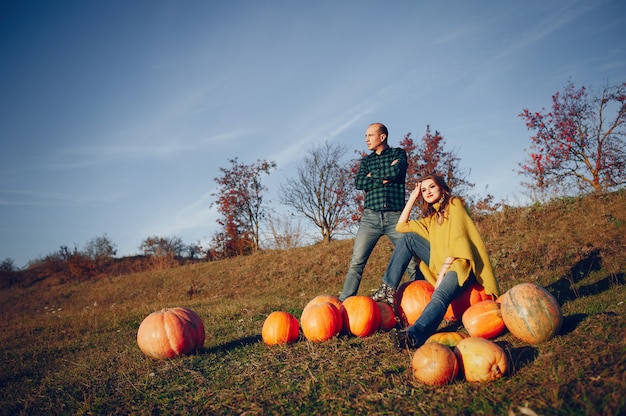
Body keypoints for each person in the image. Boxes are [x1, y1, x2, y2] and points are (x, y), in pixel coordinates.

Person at [370, 173, 499, 349]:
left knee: (440, 295)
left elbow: (458, 242)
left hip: (461, 265)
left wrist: (440, 277)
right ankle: (388, 289)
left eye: (431, 186)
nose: (427, 191)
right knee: (408, 238)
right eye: (424, 190)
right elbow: (401, 226)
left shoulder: (455, 204)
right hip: (444, 264)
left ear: (442, 187)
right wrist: (413, 197)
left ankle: (414, 335)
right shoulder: (432, 219)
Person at [338, 123, 417, 302]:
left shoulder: (398, 154)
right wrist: (384, 178)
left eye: (370, 135)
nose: (366, 139)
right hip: (370, 218)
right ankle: (344, 302)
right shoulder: (366, 161)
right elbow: (359, 183)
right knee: (357, 262)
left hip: (396, 217)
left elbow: (397, 170)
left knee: (411, 260)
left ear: (382, 137)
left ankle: (422, 298)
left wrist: (372, 177)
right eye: (365, 136)